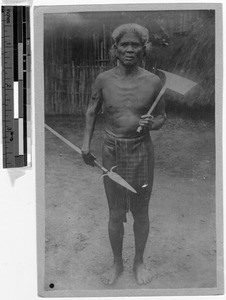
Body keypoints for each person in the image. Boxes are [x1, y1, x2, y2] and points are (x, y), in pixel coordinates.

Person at [81, 23, 166, 285]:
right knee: (116, 212)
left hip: (141, 149)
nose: (129, 49)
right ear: (115, 49)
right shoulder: (103, 80)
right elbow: (92, 111)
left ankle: (139, 262)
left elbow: (162, 116)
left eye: (135, 45)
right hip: (111, 151)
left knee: (141, 211)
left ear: (143, 49)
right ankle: (117, 263)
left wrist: (154, 122)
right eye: (124, 45)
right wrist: (86, 145)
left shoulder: (153, 82)